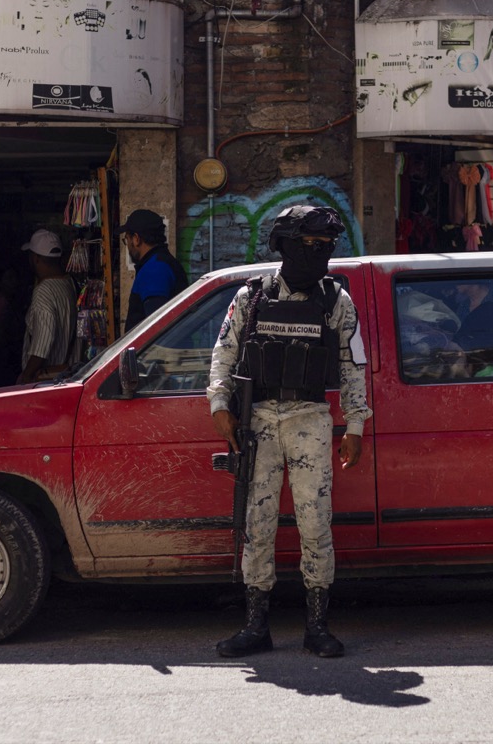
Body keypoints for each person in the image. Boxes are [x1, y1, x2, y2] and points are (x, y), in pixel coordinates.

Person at [208, 205, 371, 659]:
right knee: (256, 526)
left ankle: (317, 627)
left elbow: (352, 366)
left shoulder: (336, 301)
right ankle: (255, 627)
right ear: (285, 246)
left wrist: (355, 424)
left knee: (315, 524)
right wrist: (219, 405)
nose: (317, 253)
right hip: (257, 421)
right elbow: (224, 354)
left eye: (325, 247)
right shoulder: (251, 297)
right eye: (308, 245)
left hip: (310, 420)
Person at [17, 229, 76, 385]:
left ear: (36, 258)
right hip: (63, 375)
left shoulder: (43, 290)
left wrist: (27, 375)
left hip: (45, 382)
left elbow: (42, 343)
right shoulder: (68, 283)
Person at [119, 208, 189, 332]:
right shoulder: (162, 262)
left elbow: (157, 329)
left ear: (136, 239)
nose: (128, 246)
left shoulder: (154, 270)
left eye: (127, 240)